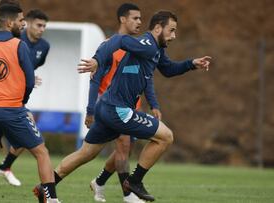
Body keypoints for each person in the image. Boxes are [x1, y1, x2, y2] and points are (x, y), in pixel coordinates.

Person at [36, 10, 211, 202]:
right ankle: (134, 182)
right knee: (165, 137)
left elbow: (168, 69)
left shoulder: (156, 50)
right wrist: (97, 59)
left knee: (86, 153)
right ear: (158, 28)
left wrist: (191, 64)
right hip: (117, 109)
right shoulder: (146, 44)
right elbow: (118, 40)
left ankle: (45, 188)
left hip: (107, 107)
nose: (174, 36)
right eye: (171, 30)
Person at [0, 4, 60, 203]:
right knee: (41, 152)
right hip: (12, 109)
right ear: (9, 22)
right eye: (21, 21)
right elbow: (30, 81)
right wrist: (22, 101)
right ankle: (52, 199)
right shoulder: (19, 45)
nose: (23, 24)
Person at [86, 3, 159, 203]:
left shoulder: (138, 46)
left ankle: (99, 182)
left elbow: (147, 77)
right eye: (135, 18)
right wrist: (90, 109)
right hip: (112, 106)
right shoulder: (110, 45)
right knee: (122, 146)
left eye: (140, 18)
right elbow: (95, 79)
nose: (139, 22)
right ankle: (129, 195)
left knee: (124, 150)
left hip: (131, 107)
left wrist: (153, 104)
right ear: (122, 19)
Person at [0, 8, 50, 187]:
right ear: (28, 24)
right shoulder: (15, 38)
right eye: (38, 25)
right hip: (0, 94)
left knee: (25, 134)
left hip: (17, 97)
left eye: (44, 26)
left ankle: (4, 167)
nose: (42, 29)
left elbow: (30, 67)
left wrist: (30, 76)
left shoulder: (44, 47)